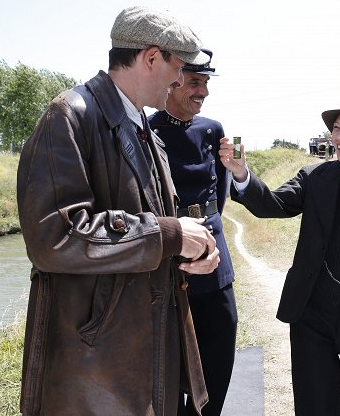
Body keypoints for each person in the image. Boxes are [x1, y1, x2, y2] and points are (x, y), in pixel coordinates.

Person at [16, 6, 220, 416]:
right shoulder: (69, 116)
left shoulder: (142, 129)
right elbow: (55, 238)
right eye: (178, 67)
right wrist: (169, 235)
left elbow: (157, 228)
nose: (181, 81)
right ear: (150, 58)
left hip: (141, 352)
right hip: (96, 367)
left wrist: (194, 246)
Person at [219, 91, 340, 415]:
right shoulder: (314, 179)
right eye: (336, 128)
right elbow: (274, 205)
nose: (339, 136)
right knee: (315, 407)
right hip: (313, 315)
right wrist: (241, 173)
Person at [147, 49, 237, 416]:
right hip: (166, 262)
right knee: (169, 367)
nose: (204, 92)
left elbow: (222, 188)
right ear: (174, 79)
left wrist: (206, 227)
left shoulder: (213, 130)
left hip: (214, 258)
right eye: (196, 82)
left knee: (220, 346)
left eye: (207, 83)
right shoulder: (145, 129)